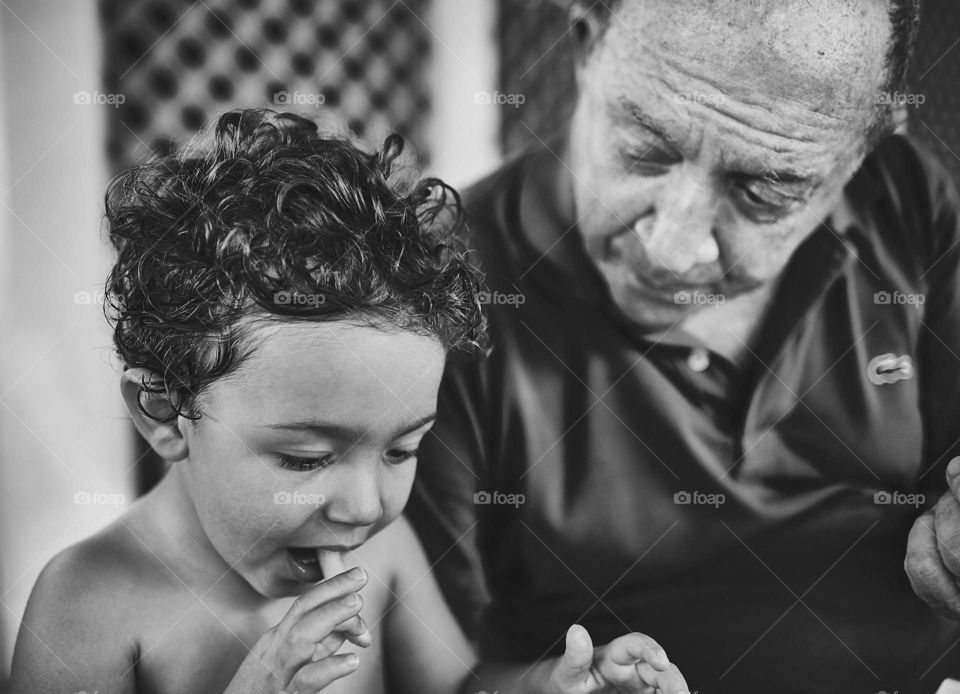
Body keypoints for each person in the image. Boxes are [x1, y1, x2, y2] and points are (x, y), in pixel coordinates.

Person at [8, 108, 688, 694]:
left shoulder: (380, 555)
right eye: (305, 459)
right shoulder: (88, 604)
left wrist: (552, 685)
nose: (366, 506)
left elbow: (456, 688)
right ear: (164, 412)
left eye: (402, 448)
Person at [405, 1, 960, 692]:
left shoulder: (906, 195)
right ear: (585, 47)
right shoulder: (429, 291)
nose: (672, 250)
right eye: (645, 150)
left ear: (865, 148)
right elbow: (431, 673)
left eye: (763, 192)